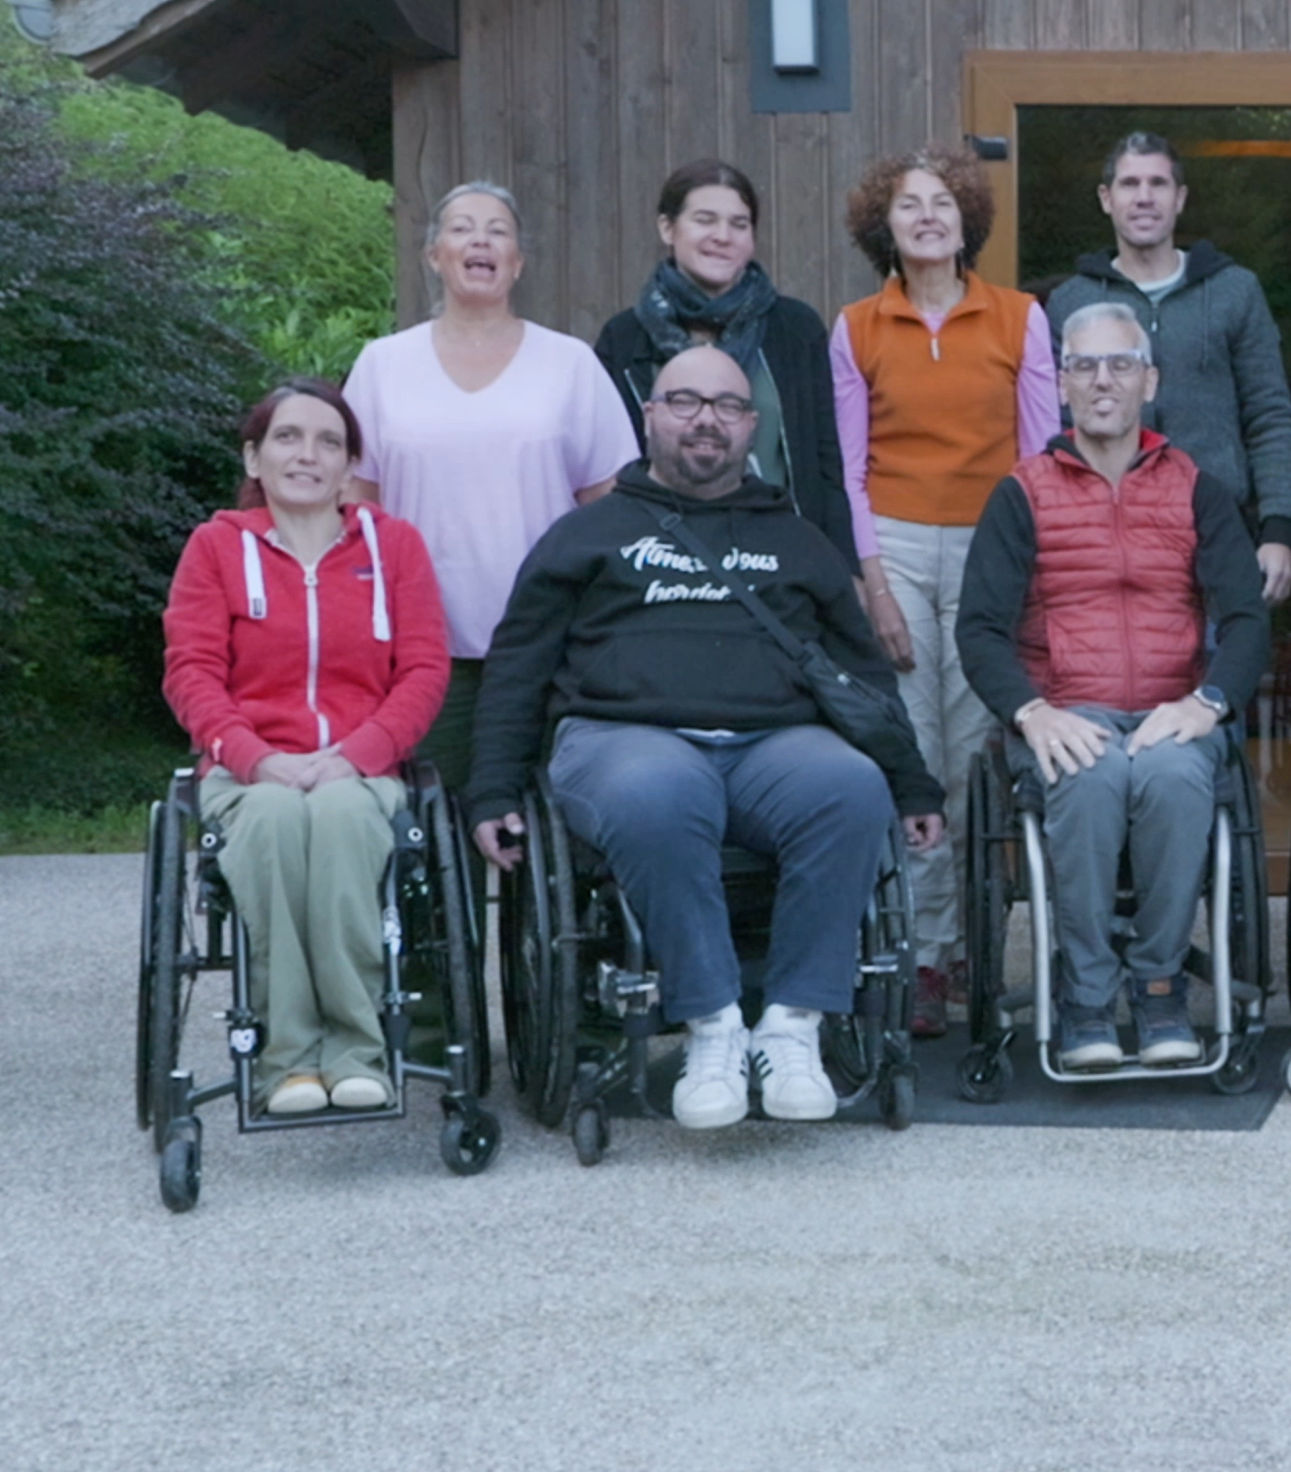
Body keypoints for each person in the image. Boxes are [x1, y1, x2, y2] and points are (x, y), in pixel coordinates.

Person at [463, 349, 948, 1128]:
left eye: (725, 406)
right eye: (684, 401)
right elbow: (518, 667)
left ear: (750, 427)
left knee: (850, 790)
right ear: (649, 416)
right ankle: (713, 1028)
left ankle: (791, 1027)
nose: (705, 419)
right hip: (624, 738)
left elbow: (863, 678)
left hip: (774, 745)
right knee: (661, 792)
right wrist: (491, 788)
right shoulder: (585, 536)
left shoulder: (795, 540)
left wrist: (911, 782)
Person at [957, 303, 1269, 1069]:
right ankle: (1086, 996)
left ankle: (1159, 986)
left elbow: (1248, 619)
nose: (1104, 380)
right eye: (1086, 366)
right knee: (1091, 775)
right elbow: (979, 629)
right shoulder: (1020, 494)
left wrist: (1207, 703)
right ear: (1062, 384)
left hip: (1173, 709)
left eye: (1120, 364)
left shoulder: (1198, 488)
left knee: (1167, 777)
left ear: (1149, 380)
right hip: (1066, 710)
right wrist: (1031, 713)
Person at [159, 379, 450, 1117]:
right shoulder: (215, 548)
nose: (308, 455)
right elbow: (190, 672)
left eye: (329, 442)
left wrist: (360, 753)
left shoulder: (395, 547)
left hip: (361, 767)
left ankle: (356, 1049)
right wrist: (256, 758)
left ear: (350, 465)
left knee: (346, 821)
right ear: (254, 457)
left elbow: (422, 669)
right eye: (288, 438)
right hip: (250, 771)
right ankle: (287, 1058)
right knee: (278, 823)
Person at [831, 145, 1058, 1035]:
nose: (927, 217)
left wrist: (1028, 574)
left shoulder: (1020, 318)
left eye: (942, 204)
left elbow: (1041, 459)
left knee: (976, 758)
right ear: (881, 227)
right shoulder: (853, 327)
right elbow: (845, 469)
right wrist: (874, 585)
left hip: (992, 546)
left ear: (967, 221)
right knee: (915, 754)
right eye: (908, 206)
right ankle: (924, 956)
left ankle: (974, 947)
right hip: (893, 546)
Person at [343, 181, 638, 795]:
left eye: (498, 230)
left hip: (545, 636)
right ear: (434, 256)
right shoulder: (382, 364)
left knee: (536, 820)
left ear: (518, 263)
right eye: (462, 227)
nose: (481, 239)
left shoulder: (571, 363)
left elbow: (611, 502)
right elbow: (354, 501)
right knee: (440, 816)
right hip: (420, 638)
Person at [1044, 132, 1291, 604]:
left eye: (1158, 183)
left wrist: (1278, 529)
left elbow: (1269, 415)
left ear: (1180, 198)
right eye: (1129, 184)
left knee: (1220, 671)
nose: (1144, 197)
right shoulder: (1071, 302)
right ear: (1106, 198)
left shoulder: (1235, 291)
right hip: (1107, 531)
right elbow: (1058, 426)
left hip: (1219, 526)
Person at [591, 159, 854, 562]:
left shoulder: (795, 329)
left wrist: (841, 565)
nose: (723, 236)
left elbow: (825, 464)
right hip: (662, 557)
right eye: (705, 220)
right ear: (667, 228)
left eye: (739, 224)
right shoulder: (624, 339)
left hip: (778, 552)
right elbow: (611, 470)